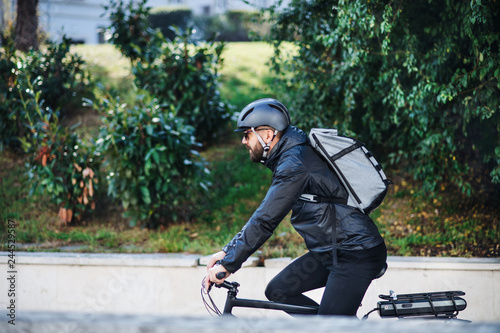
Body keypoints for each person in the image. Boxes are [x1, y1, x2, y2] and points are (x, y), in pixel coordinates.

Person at [205, 98, 387, 316]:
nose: (244, 141)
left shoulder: (294, 163)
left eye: (247, 134)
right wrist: (227, 251)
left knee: (329, 328)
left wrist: (230, 263)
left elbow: (265, 219)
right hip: (331, 251)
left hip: (355, 253)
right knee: (279, 290)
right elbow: (264, 215)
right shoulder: (291, 158)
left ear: (267, 135)